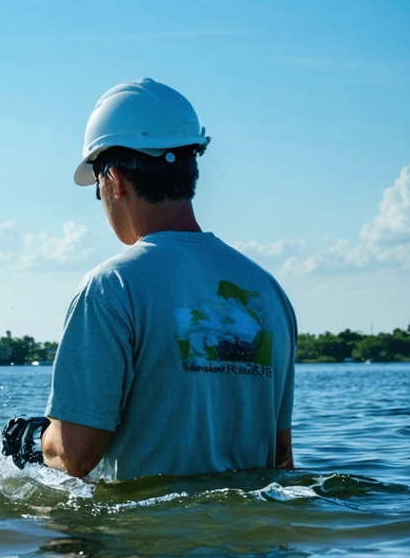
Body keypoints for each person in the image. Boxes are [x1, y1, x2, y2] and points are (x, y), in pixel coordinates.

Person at [32, 78, 296, 481]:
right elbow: (282, 457)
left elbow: (76, 456)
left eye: (97, 189)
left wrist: (35, 439)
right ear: (191, 170)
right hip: (251, 523)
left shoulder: (112, 287)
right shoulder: (268, 291)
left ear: (114, 181)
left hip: (149, 524)